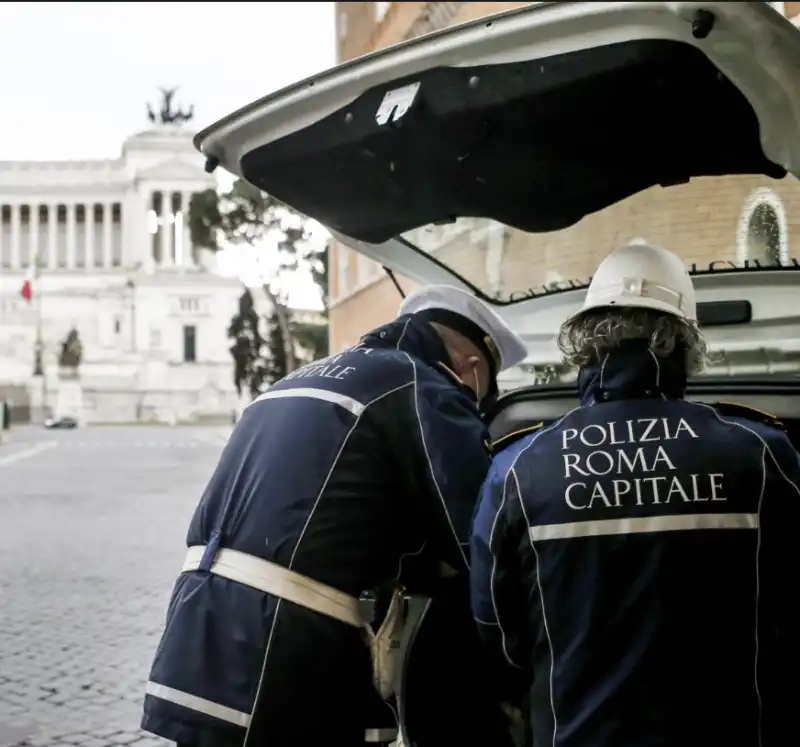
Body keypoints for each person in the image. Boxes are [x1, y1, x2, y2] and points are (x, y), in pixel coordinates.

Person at [141, 284, 528, 747]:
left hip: (197, 623)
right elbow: (475, 535)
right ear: (472, 369)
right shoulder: (424, 383)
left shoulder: (297, 379)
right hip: (284, 645)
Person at [470, 242, 800, 747]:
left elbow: (496, 628)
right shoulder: (759, 452)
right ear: (685, 343)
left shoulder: (518, 468)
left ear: (584, 344)